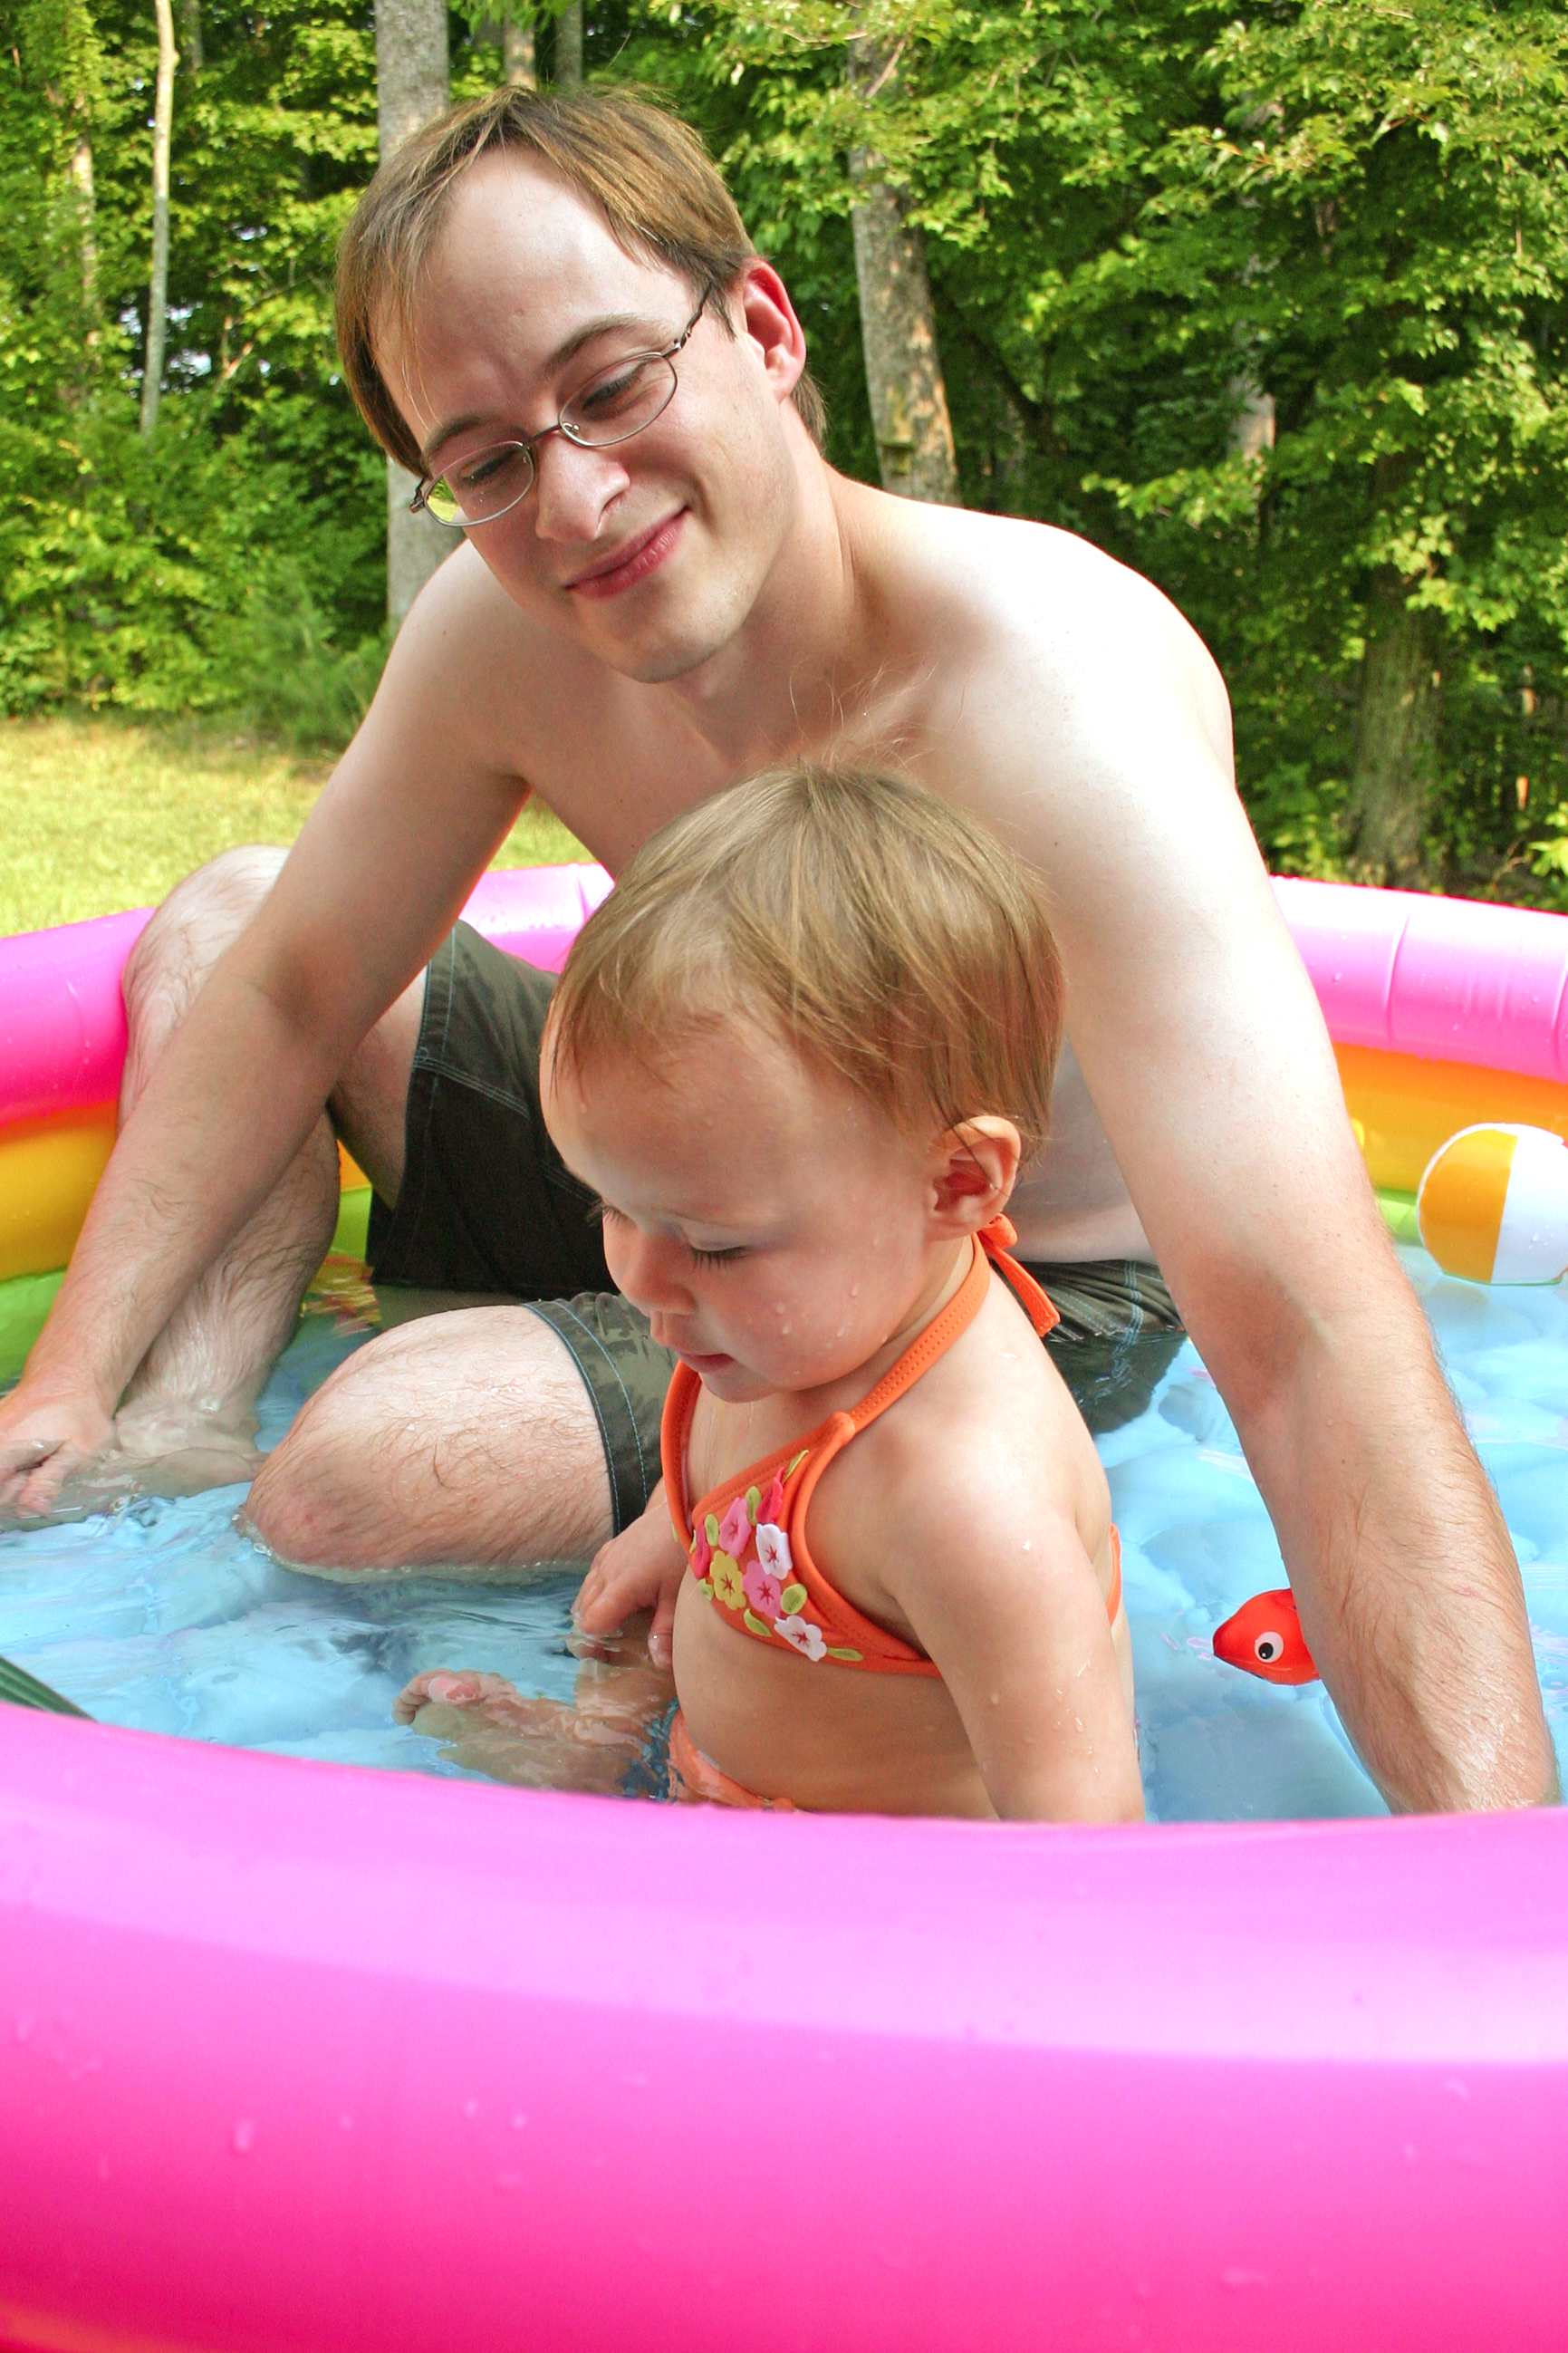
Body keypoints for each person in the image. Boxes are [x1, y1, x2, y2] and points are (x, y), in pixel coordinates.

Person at [0, 88, 1552, 1814]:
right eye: (489, 461)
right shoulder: (503, 634)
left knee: (365, 1469)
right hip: (684, 1161)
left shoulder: (1053, 703)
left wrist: (1487, 1878)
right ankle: (158, 1449)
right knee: (226, 915)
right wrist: (65, 1380)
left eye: (612, 384)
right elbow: (292, 988)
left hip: (985, 1272)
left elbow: (1310, 1335)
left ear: (760, 325)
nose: (576, 500)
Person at [396, 770, 1143, 1821]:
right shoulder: (788, 1325)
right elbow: (741, 1485)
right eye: (609, 1205)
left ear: (955, 1184)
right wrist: (676, 1527)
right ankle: (596, 1746)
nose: (638, 1278)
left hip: (858, 1892)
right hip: (722, 1792)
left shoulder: (963, 1501)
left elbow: (1087, 1842)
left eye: (715, 1243)